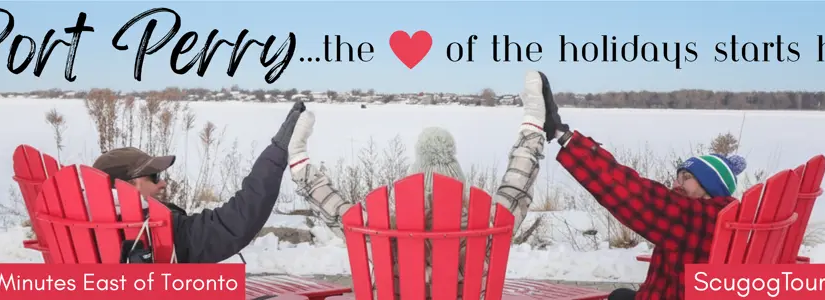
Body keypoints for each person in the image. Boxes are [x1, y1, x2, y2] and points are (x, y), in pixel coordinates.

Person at [284, 70, 553, 299]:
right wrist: (532, 125)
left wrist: (299, 161)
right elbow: (517, 186)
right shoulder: (488, 224)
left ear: (411, 179)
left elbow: (334, 208)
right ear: (458, 181)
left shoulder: (380, 228)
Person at [535, 70, 747, 300]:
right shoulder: (730, 217)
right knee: (620, 296)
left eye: (687, 177)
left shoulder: (695, 218)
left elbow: (630, 192)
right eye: (678, 175)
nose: (677, 183)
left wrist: (563, 136)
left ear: (711, 186)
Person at [92, 101, 308, 264]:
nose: (163, 184)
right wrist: (277, 151)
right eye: (154, 177)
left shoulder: (72, 231)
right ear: (129, 187)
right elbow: (235, 222)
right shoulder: (158, 230)